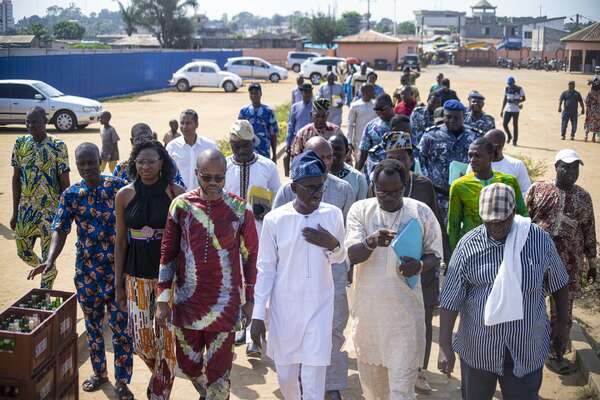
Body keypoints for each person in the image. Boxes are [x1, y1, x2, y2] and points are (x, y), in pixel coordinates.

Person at [438, 183, 570, 400]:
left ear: (514, 213)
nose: (497, 227)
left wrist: (562, 324)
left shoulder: (538, 240)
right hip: (479, 350)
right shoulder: (468, 246)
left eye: (502, 221)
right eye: (490, 222)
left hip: (526, 347)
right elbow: (450, 299)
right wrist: (444, 345)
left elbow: (560, 283)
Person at [28, 143, 133, 399]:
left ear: (100, 159)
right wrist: (50, 259)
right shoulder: (72, 195)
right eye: (81, 164)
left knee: (121, 330)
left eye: (91, 162)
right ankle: (100, 373)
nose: (87, 168)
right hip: (87, 275)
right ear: (76, 165)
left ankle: (122, 382)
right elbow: (60, 228)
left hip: (118, 274)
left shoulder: (119, 188)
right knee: (93, 326)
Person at [156, 149, 258, 399]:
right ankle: (211, 391)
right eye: (206, 177)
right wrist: (162, 299)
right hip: (186, 303)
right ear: (196, 174)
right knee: (188, 364)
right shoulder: (181, 206)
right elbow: (167, 253)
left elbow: (250, 256)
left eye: (219, 178)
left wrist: (250, 299)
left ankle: (216, 391)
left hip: (224, 305)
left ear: (225, 177)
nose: (213, 184)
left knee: (219, 370)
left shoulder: (240, 209)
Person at [251, 150, 346, 400]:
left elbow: (340, 258)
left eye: (320, 187)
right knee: (286, 378)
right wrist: (258, 315)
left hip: (319, 308)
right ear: (294, 187)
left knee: (314, 380)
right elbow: (265, 269)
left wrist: (333, 244)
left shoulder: (332, 215)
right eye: (310, 188)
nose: (317, 194)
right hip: (285, 312)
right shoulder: (275, 220)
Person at [346, 159, 443, 400]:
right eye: (382, 192)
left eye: (395, 192)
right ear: (373, 187)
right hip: (370, 318)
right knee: (374, 390)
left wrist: (419, 265)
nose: (388, 197)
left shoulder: (420, 212)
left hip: (405, 318)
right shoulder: (361, 210)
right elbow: (352, 254)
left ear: (405, 186)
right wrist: (371, 242)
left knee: (401, 389)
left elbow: (435, 254)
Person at [369, 129, 450, 392]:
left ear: (410, 157)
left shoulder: (424, 184)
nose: (396, 161)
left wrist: (438, 264)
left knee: (422, 320)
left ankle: (418, 371)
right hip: (386, 273)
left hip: (421, 270)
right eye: (391, 156)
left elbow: (435, 228)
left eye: (400, 156)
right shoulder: (380, 184)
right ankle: (393, 368)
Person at [273, 137, 354, 399]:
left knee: (330, 338)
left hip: (329, 282)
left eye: (327, 157)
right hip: (290, 293)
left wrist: (333, 247)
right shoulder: (287, 193)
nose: (322, 162)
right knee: (293, 357)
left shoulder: (343, 190)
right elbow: (275, 243)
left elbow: (344, 243)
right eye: (315, 156)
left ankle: (332, 387)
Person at [114, 140, 185, 400]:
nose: (145, 166)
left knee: (167, 340)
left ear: (162, 163)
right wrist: (118, 284)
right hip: (135, 277)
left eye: (151, 161)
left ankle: (158, 393)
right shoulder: (124, 195)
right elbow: (120, 242)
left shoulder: (175, 193)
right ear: (134, 163)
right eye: (140, 161)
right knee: (142, 341)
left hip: (168, 279)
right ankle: (161, 377)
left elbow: (184, 241)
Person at [526, 149, 597, 373]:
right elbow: (523, 220)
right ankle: (529, 348)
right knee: (531, 304)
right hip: (536, 260)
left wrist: (592, 263)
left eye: (576, 167)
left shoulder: (584, 197)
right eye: (566, 166)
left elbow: (589, 231)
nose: (571, 172)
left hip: (569, 263)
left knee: (562, 311)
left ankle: (556, 353)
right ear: (556, 167)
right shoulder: (539, 189)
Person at [224, 120, 281, 356]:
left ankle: (253, 336)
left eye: (246, 145)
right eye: (237, 145)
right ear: (231, 144)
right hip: (229, 236)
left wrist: (266, 213)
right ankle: (240, 327)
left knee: (257, 282)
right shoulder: (224, 166)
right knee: (235, 281)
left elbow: (279, 202)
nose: (242, 150)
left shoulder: (267, 167)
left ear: (252, 143)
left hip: (259, 234)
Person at [11, 106, 70, 289]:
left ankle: (45, 294)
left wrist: (65, 213)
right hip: (26, 210)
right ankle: (46, 269)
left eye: (34, 121)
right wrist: (15, 212)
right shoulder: (20, 143)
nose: (30, 125)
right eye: (27, 121)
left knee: (48, 255)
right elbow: (16, 178)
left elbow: (64, 182)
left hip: (49, 212)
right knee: (22, 250)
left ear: (45, 122)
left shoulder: (58, 146)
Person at [447, 137, 528, 251]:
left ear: (491, 156)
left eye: (477, 155)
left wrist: (524, 243)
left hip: (505, 244)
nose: (472, 160)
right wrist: (453, 253)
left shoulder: (508, 181)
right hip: (472, 246)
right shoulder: (459, 186)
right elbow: (453, 224)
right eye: (470, 155)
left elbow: (522, 213)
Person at [419, 99, 481, 219]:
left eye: (456, 117)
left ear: (464, 117)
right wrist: (428, 183)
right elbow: (421, 160)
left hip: (466, 194)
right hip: (438, 195)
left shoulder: (475, 136)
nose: (452, 120)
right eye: (448, 117)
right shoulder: (431, 135)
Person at [114, 123, 186, 188]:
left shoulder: (167, 164)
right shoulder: (121, 168)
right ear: (132, 141)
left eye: (148, 139)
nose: (143, 143)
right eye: (139, 139)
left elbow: (179, 191)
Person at [466, 129, 532, 193]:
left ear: (498, 147)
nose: (482, 146)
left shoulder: (516, 165)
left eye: (488, 145)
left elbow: (526, 191)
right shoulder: (476, 164)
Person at [166, 109, 217, 190]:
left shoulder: (210, 146)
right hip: (179, 197)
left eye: (188, 123)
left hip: (203, 198)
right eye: (182, 123)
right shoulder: (172, 147)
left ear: (196, 124)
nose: (184, 126)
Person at [238, 83, 279, 161]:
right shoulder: (243, 111)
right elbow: (239, 133)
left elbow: (273, 134)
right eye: (251, 93)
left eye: (256, 93)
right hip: (248, 152)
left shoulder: (268, 111)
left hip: (264, 152)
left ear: (261, 94)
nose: (253, 96)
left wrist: (274, 154)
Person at [356, 94, 395, 174]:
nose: (379, 112)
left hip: (396, 172)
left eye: (382, 109)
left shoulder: (402, 124)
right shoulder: (370, 126)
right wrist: (356, 173)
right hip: (374, 172)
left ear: (392, 106)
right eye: (376, 109)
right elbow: (363, 152)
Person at [328, 134, 368, 201]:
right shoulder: (319, 175)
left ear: (346, 152)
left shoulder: (358, 178)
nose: (333, 152)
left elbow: (361, 207)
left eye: (338, 149)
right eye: (330, 148)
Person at [286, 83, 314, 175]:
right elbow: (290, 126)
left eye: (309, 92)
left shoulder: (315, 107)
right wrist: (288, 144)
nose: (307, 94)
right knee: (297, 165)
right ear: (302, 93)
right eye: (305, 92)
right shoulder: (295, 107)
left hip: (312, 141)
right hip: (297, 141)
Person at [347, 84, 377, 161]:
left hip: (373, 141)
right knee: (359, 161)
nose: (374, 92)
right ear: (365, 92)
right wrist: (349, 141)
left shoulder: (376, 105)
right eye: (372, 90)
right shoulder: (355, 105)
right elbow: (350, 125)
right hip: (359, 141)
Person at [410, 92, 442, 161]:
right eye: (433, 102)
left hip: (431, 152)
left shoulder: (440, 117)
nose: (435, 105)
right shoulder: (417, 112)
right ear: (427, 100)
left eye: (438, 103)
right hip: (416, 150)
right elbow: (412, 130)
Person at [501, 76, 526, 146]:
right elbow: (505, 99)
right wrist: (502, 110)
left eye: (511, 84)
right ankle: (509, 136)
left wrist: (517, 100)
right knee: (504, 124)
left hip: (516, 110)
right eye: (508, 84)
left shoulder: (519, 89)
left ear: (514, 83)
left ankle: (515, 141)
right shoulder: (506, 89)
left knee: (515, 125)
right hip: (508, 109)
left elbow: (524, 98)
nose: (509, 85)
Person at [584, 76, 600, 142]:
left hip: (590, 110)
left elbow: (587, 101)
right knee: (596, 123)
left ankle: (586, 136)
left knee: (588, 122)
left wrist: (584, 100)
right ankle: (593, 137)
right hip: (598, 111)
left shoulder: (590, 93)